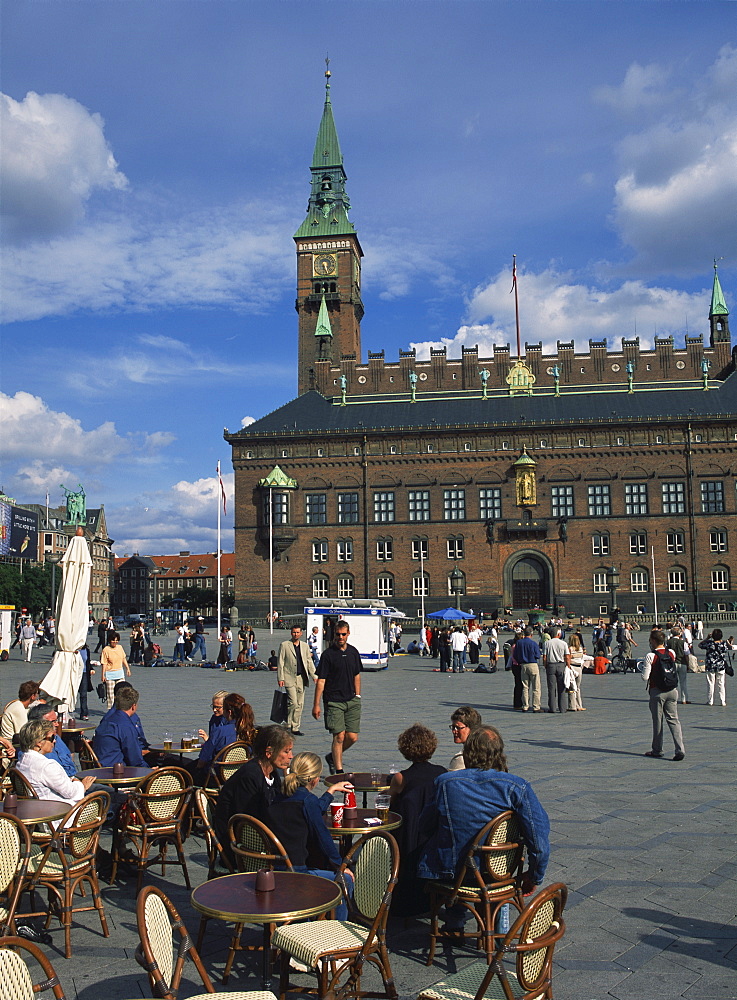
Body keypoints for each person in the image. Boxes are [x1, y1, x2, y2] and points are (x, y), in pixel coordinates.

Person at [418, 725, 550, 924]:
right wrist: (534, 875)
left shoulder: (445, 783)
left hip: (452, 872)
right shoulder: (516, 786)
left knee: (453, 846)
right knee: (500, 874)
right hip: (496, 871)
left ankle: (455, 922)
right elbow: (538, 837)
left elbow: (425, 826)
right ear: (499, 754)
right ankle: (498, 931)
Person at [267, 752, 355, 920]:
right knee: (345, 880)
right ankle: (337, 930)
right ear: (315, 780)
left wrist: (330, 792)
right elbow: (325, 840)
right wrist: (341, 865)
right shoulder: (308, 801)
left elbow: (312, 810)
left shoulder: (278, 797)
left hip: (275, 869)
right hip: (297, 873)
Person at [215, 724, 293, 865]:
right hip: (240, 845)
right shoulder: (250, 776)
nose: (291, 756)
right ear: (269, 752)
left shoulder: (272, 772)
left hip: (259, 835)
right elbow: (247, 818)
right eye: (286, 751)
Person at [389, 724, 447, 916]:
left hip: (408, 835)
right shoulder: (442, 773)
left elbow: (391, 804)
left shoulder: (401, 777)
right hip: (433, 833)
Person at [17, 720, 95, 818]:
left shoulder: (22, 762)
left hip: (36, 813)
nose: (54, 741)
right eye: (52, 737)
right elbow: (71, 793)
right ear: (39, 743)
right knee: (102, 800)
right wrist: (82, 785)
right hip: (58, 816)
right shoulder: (46, 766)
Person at [313, 621, 361, 774]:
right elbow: (321, 681)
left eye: (343, 634)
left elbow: (357, 675)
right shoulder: (328, 655)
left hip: (352, 700)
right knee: (339, 736)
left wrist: (358, 695)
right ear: (334, 634)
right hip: (333, 701)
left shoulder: (353, 652)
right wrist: (316, 704)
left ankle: (332, 757)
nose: (340, 637)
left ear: (348, 634)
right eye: (338, 634)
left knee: (352, 737)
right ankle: (339, 770)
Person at [189, 693, 256, 782]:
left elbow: (203, 760)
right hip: (238, 777)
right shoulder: (251, 731)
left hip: (215, 778)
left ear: (229, 712)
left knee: (182, 768)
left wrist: (197, 769)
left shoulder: (220, 731)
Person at [642, 630, 685, 760]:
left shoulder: (651, 656)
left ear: (653, 641)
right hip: (672, 690)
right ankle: (680, 749)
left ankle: (657, 749)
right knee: (674, 720)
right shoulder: (670, 653)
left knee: (658, 722)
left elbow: (645, 677)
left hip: (657, 692)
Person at [93, 686, 147, 767]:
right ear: (133, 706)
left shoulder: (107, 719)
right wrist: (150, 770)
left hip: (101, 766)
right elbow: (135, 759)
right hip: (117, 770)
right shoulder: (126, 725)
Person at [278, 626, 316, 736]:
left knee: (300, 703)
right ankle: (288, 724)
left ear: (301, 633)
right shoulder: (285, 645)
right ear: (291, 633)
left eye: (298, 632)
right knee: (293, 702)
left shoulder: (304, 646)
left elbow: (309, 662)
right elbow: (280, 662)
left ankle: (295, 727)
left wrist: (314, 675)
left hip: (301, 678)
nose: (296, 634)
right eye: (294, 632)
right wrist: (280, 678)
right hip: (289, 677)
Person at [699, 628, 730, 707]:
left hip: (710, 666)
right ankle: (723, 701)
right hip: (720, 666)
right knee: (721, 684)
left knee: (711, 683)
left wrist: (707, 638)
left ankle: (710, 700)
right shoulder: (724, 644)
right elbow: (728, 648)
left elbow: (700, 645)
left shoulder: (709, 644)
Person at [514, 627, 542, 713]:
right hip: (532, 664)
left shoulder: (519, 643)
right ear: (531, 634)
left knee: (525, 687)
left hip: (523, 665)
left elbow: (515, 655)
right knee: (536, 687)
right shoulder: (533, 643)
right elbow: (538, 655)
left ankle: (525, 705)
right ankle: (536, 706)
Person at [543, 628, 570, 714]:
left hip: (551, 665)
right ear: (558, 634)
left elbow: (544, 657)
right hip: (561, 665)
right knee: (561, 687)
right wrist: (568, 666)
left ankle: (552, 708)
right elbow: (567, 656)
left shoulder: (547, 643)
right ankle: (562, 708)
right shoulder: (564, 643)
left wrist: (545, 665)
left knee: (551, 688)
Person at [101, 632, 130, 708]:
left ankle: (120, 709)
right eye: (113, 640)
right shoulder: (106, 649)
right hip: (110, 674)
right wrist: (103, 675)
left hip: (120, 673)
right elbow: (104, 663)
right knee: (110, 695)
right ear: (110, 640)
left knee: (121, 693)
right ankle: (111, 710)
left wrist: (127, 668)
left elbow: (123, 658)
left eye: (116, 640)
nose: (115, 642)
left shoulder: (120, 647)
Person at [448, 706, 481, 770]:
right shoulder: (488, 750)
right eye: (453, 727)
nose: (454, 731)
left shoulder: (460, 759)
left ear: (472, 729)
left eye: (458, 728)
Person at [666, 625, 689, 705]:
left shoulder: (668, 642)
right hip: (682, 663)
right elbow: (686, 654)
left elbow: (666, 653)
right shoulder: (683, 642)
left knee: (673, 682)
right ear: (679, 634)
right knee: (683, 682)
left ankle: (673, 698)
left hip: (672, 663)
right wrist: (688, 664)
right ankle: (684, 699)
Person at [566, 634, 586, 711]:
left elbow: (568, 658)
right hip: (579, 668)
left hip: (572, 667)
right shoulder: (580, 649)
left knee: (571, 687)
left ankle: (572, 705)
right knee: (577, 687)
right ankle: (579, 705)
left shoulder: (570, 649)